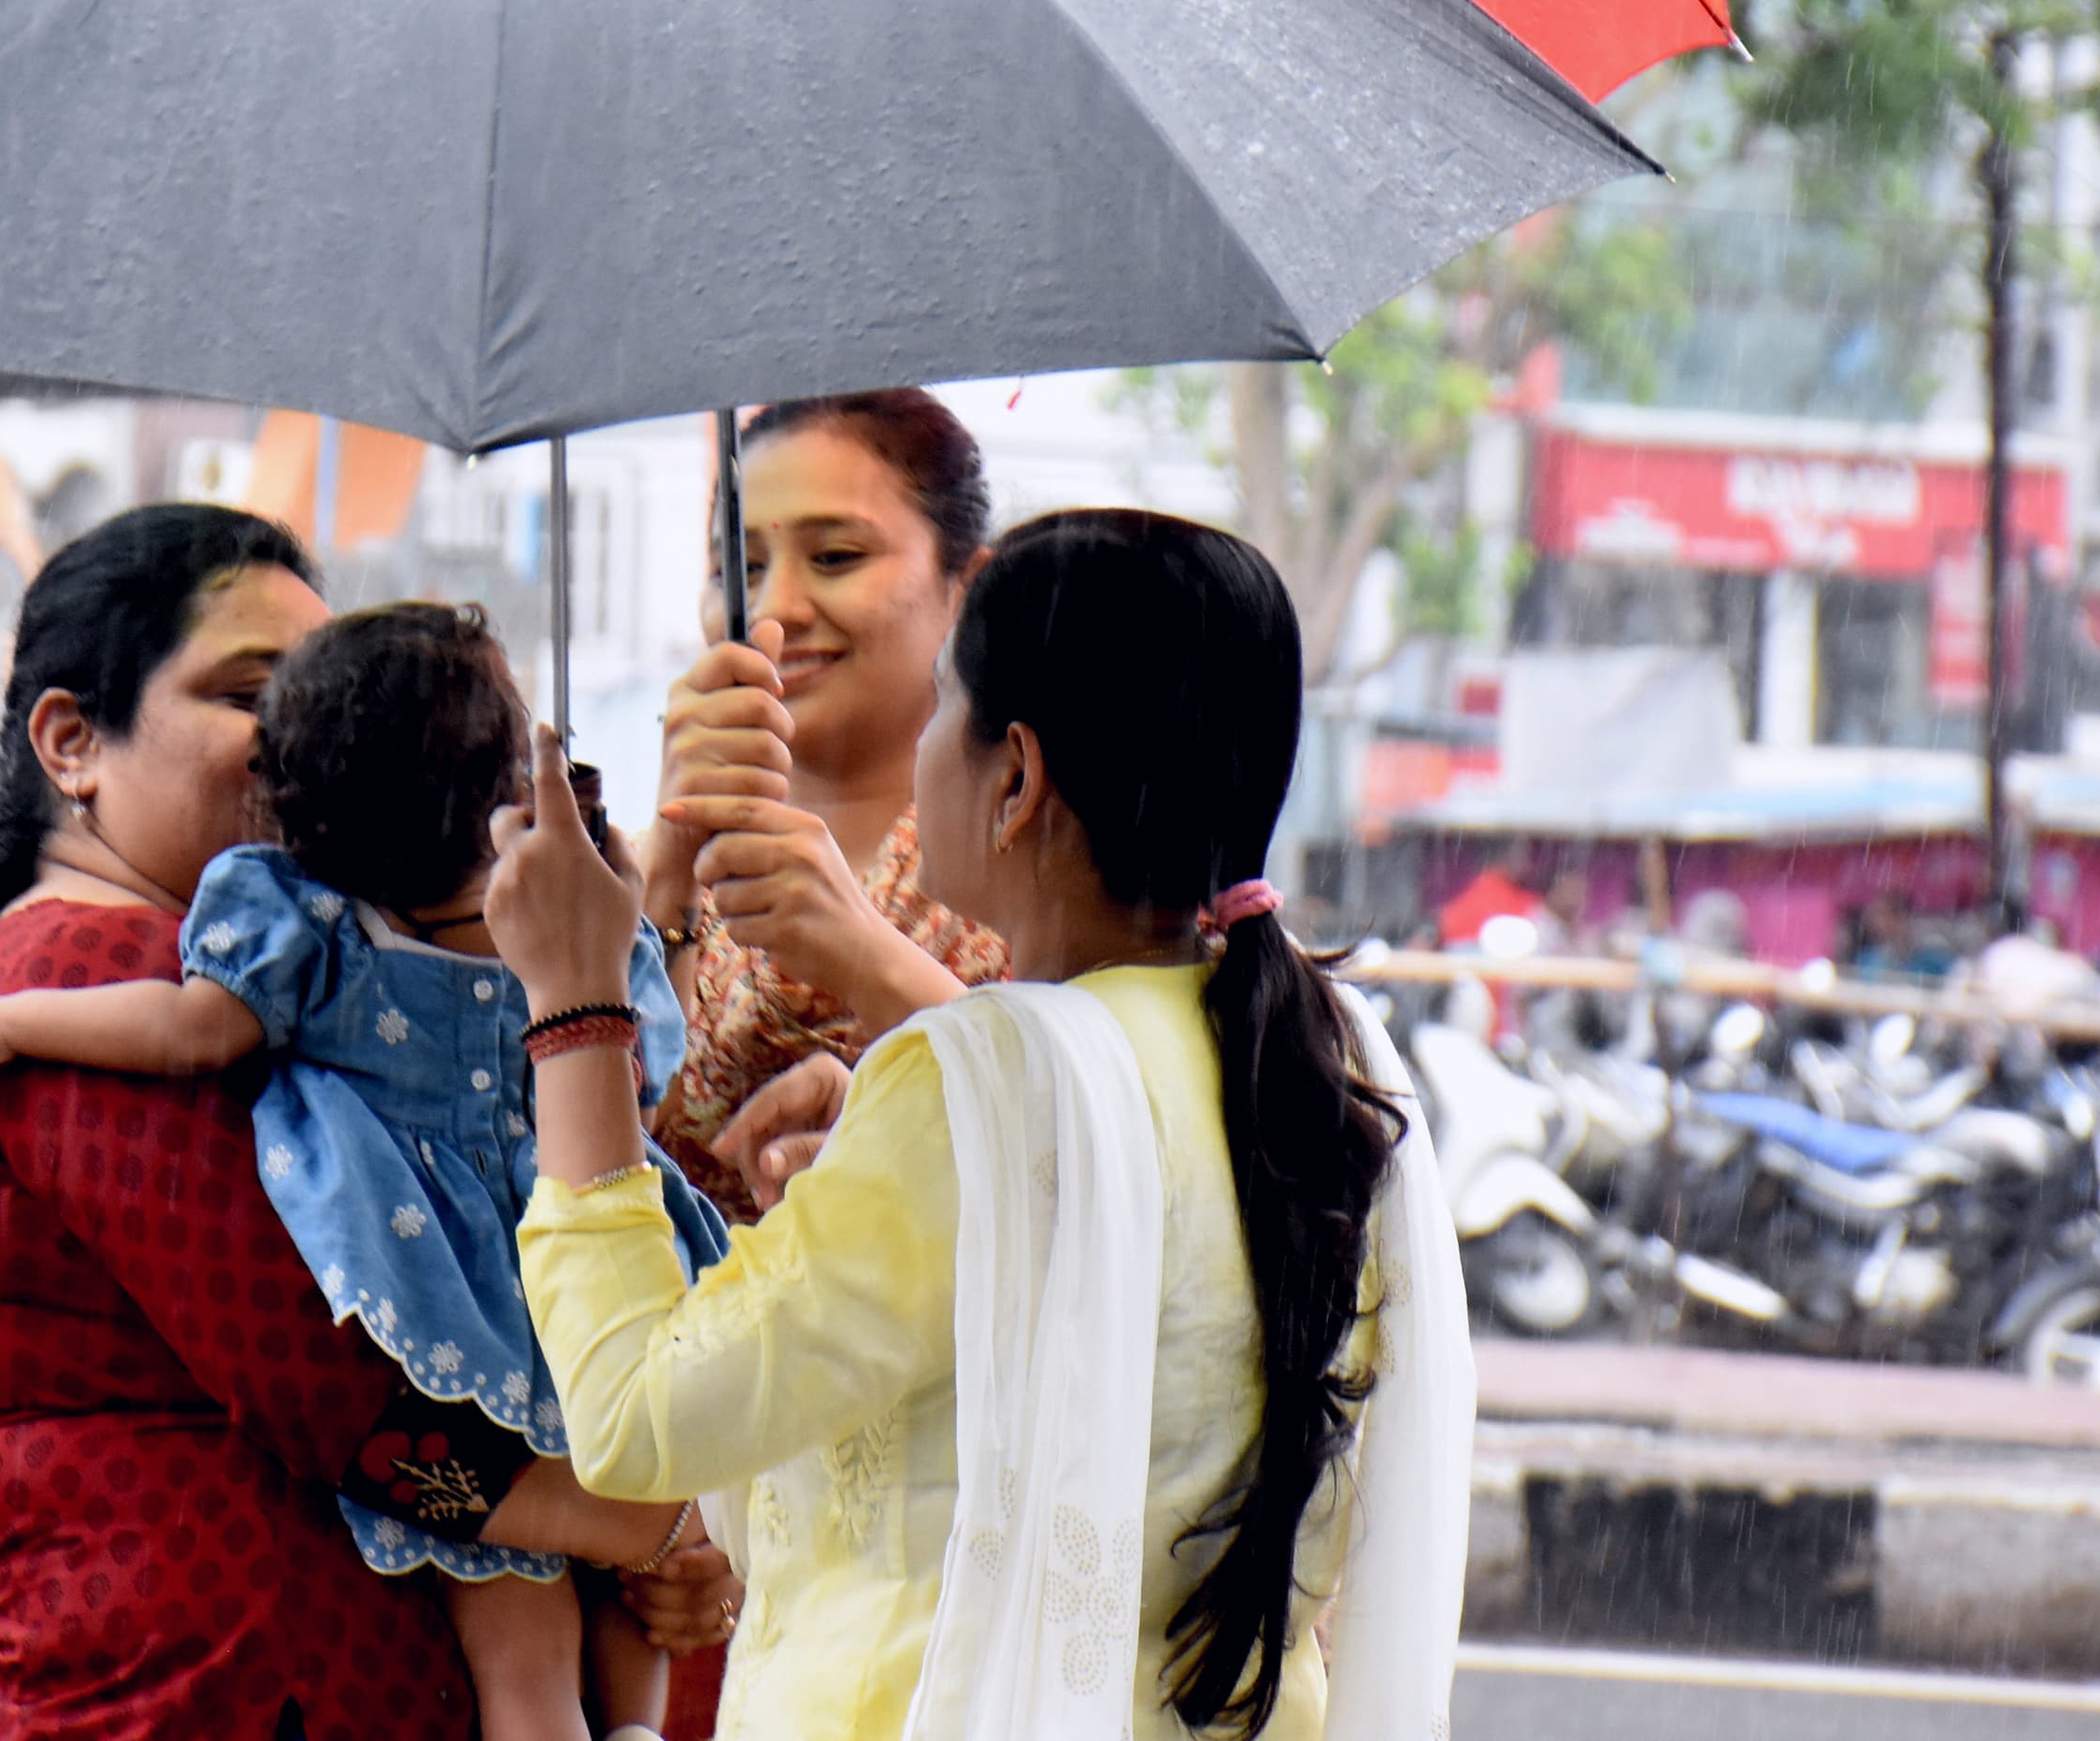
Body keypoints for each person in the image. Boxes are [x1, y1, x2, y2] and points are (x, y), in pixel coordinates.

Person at [494, 510, 1474, 1741]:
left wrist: (577, 1003)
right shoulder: (1319, 1052)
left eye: (943, 703)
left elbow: (637, 1417)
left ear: (1014, 774)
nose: (921, 748)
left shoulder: (982, 1083)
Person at [0, 507, 726, 1741]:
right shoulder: (82, 975)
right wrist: (654, 1519)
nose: (301, 732)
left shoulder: (275, 973)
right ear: (73, 742)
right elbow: (331, 1381)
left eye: (321, 688)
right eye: (249, 692)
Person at [642, 392, 1007, 1220]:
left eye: (836, 557)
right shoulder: (643, 867)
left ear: (967, 586)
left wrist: (867, 959)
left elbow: (1100, 1137)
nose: (775, 611)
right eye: (738, 567)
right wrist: (664, 881)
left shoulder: (1039, 855)